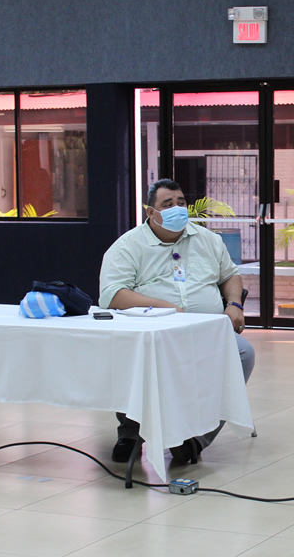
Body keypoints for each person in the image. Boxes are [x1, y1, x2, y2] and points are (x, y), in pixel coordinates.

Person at [99, 179, 254, 465]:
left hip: (207, 329)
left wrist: (234, 304)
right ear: (150, 212)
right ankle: (132, 433)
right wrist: (166, 308)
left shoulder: (208, 240)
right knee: (134, 358)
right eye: (167, 204)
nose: (177, 209)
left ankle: (196, 439)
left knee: (243, 353)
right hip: (152, 328)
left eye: (181, 203)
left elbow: (230, 275)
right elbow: (112, 294)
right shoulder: (128, 245)